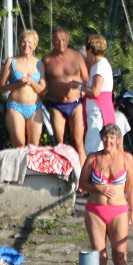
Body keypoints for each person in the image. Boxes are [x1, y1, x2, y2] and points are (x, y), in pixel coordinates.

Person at [77, 124, 133, 265]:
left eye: (112, 137)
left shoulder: (127, 158)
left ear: (118, 139)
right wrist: (99, 187)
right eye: (105, 137)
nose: (108, 141)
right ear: (101, 139)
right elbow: (82, 183)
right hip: (95, 211)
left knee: (120, 256)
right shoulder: (93, 158)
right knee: (100, 257)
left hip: (118, 210)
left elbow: (131, 187)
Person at [42, 26, 89, 166]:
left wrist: (82, 89)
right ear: (52, 41)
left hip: (75, 103)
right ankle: (62, 173)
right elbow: (42, 84)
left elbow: (86, 80)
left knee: (78, 141)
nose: (60, 43)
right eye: (57, 40)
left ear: (68, 40)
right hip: (56, 104)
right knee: (59, 141)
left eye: (63, 40)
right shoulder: (46, 60)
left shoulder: (77, 56)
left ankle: (83, 178)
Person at [0, 28, 46, 148]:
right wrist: (18, 83)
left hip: (35, 107)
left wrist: (31, 82)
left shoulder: (39, 63)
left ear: (35, 46)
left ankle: (31, 167)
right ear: (19, 44)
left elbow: (43, 90)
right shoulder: (11, 61)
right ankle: (19, 166)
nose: (26, 45)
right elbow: (1, 87)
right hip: (15, 107)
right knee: (19, 144)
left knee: (34, 145)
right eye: (24, 42)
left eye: (30, 42)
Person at [80, 33, 116, 156]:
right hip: (100, 109)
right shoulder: (102, 65)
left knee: (92, 146)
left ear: (89, 49)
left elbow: (96, 91)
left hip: (98, 111)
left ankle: (93, 173)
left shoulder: (99, 67)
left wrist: (79, 86)